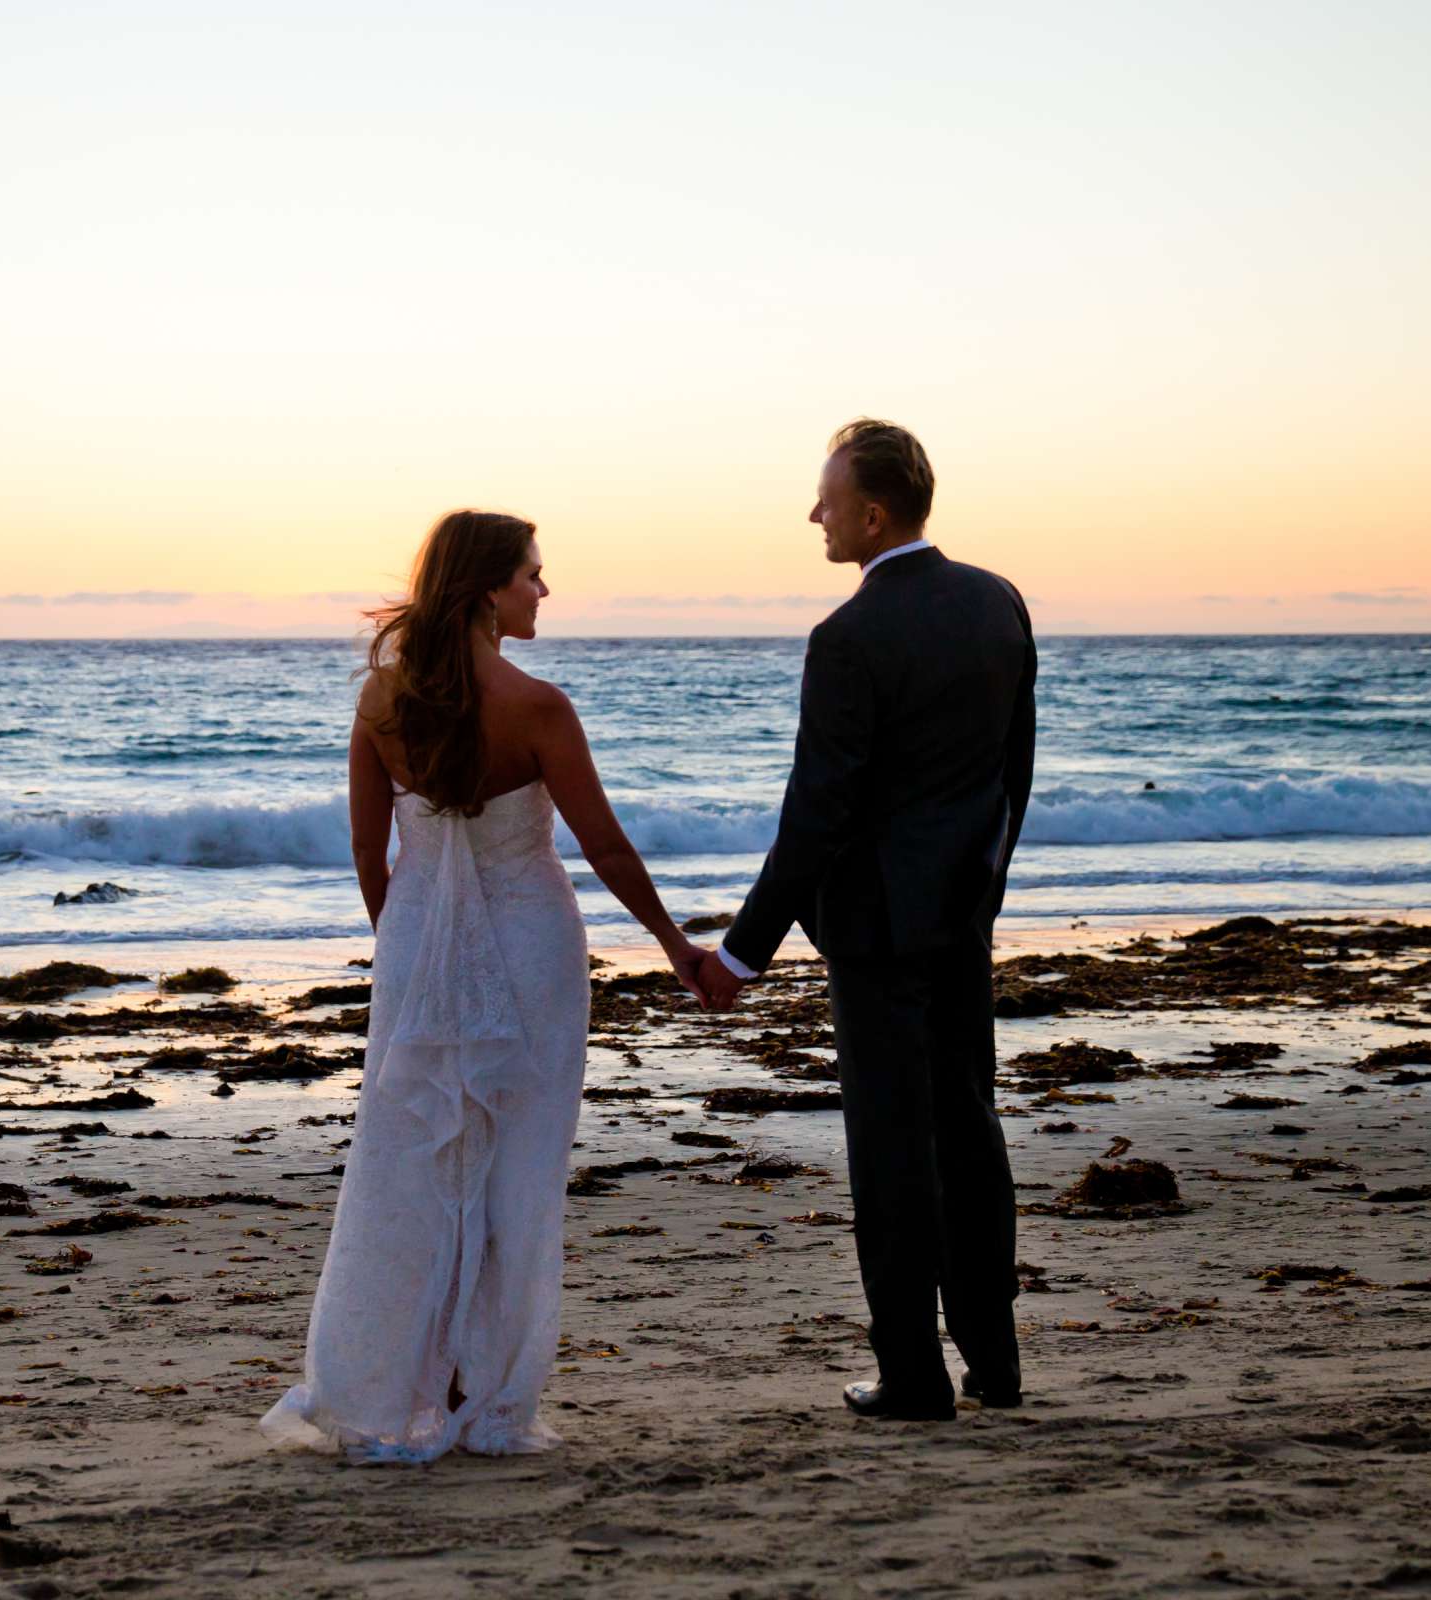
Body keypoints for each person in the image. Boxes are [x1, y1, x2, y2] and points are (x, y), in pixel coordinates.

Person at [260, 509, 712, 1462]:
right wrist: (674, 944)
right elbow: (607, 846)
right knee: (518, 1168)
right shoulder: (540, 706)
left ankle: (399, 1382)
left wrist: (410, 947)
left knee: (414, 1157)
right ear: (486, 590)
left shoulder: (381, 700)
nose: (544, 591)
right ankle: (485, 1392)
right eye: (533, 576)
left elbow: (366, 848)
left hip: (417, 941)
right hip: (530, 940)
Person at [698, 419, 1037, 1421]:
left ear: (873, 512)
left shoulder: (847, 639)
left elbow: (820, 808)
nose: (816, 512)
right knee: (971, 1134)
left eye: (828, 497)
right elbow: (1012, 773)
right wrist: (988, 882)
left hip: (880, 931)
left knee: (893, 1154)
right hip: (964, 913)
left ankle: (913, 1376)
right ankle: (997, 1363)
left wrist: (739, 951)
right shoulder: (998, 603)